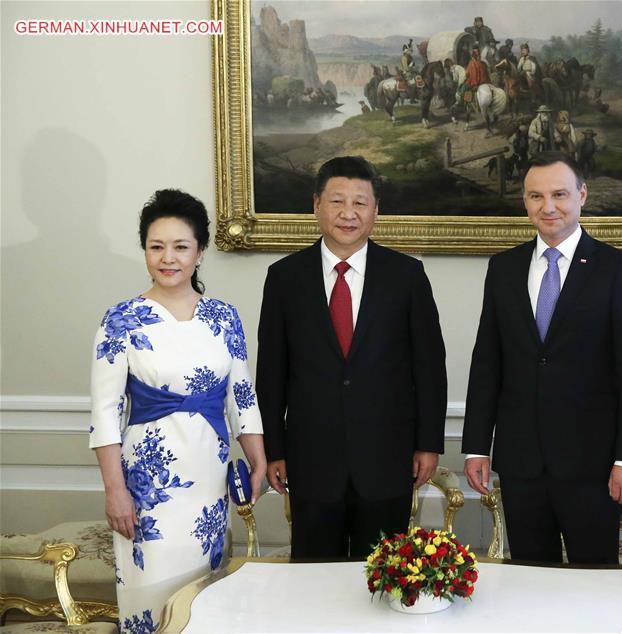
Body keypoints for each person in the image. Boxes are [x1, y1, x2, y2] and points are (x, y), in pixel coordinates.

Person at [462, 152, 622, 564]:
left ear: (582, 195)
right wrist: (477, 446)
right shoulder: (503, 268)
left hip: (594, 466)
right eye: (536, 196)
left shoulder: (615, 269)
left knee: (593, 583)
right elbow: (487, 364)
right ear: (525, 202)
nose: (548, 207)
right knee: (531, 583)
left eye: (560, 194)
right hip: (521, 464)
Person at [90, 189, 266, 631]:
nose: (168, 258)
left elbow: (242, 395)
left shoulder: (224, 317)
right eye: (156, 246)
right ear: (145, 250)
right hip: (148, 487)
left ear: (200, 252)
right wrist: (116, 491)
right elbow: (105, 412)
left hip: (209, 477)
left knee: (203, 598)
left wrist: (258, 457)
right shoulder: (121, 319)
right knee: (151, 597)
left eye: (180, 246)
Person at [257, 156, 448, 558]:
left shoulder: (407, 276)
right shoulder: (284, 278)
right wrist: (275, 448)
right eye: (337, 201)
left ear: (376, 210)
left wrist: (428, 443)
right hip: (311, 460)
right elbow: (272, 373)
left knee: (383, 579)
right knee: (314, 578)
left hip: (387, 458)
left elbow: (429, 368)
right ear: (316, 205)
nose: (348, 214)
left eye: (360, 203)